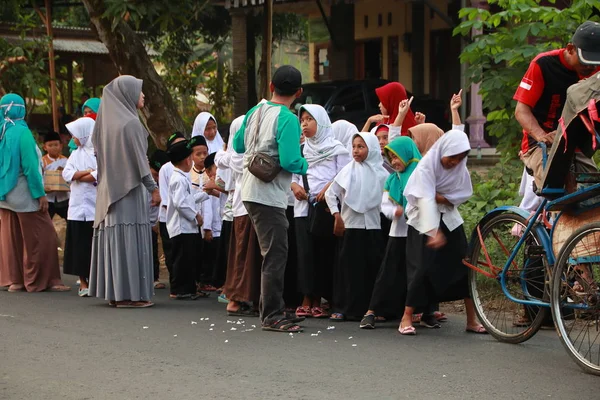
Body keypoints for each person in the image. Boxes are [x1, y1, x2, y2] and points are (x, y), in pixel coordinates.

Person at [232, 65, 308, 332]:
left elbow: (239, 145)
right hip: (269, 194)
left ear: (272, 87)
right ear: (299, 92)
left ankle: (274, 308)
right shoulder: (288, 118)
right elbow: (289, 160)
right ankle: (272, 315)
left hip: (249, 189)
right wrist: (305, 164)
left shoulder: (255, 111)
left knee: (272, 252)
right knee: (276, 254)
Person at [398, 130, 486, 335]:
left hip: (449, 218)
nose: (454, 162)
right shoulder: (427, 166)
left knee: (465, 265)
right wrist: (432, 229)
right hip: (422, 219)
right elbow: (424, 196)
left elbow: (462, 193)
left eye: (459, 158)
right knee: (421, 268)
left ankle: (472, 320)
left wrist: (443, 198)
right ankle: (406, 317)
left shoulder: (460, 169)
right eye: (452, 156)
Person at [88, 75, 160, 309]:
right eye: (139, 91)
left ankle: (116, 293)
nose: (143, 95)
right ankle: (130, 296)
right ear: (128, 94)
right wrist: (154, 188)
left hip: (110, 191)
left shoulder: (105, 124)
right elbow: (140, 162)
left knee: (116, 240)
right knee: (130, 241)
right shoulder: (131, 123)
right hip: (129, 191)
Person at [515, 21, 600, 192]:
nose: (590, 67)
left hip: (574, 142)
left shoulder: (595, 70)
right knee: (555, 189)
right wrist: (541, 135)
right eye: (585, 62)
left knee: (593, 190)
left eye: (594, 63)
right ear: (570, 49)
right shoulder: (543, 64)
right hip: (540, 143)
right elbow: (521, 111)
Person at [0, 93, 70, 292]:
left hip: (4, 196)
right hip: (24, 195)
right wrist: (40, 194)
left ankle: (16, 280)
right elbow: (30, 167)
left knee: (11, 238)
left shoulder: (1, 132)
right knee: (43, 236)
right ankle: (41, 280)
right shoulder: (22, 133)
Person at [291, 104, 350, 319]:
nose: (304, 124)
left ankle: (323, 298)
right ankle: (308, 297)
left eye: (309, 119)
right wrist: (294, 186)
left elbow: (344, 175)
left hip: (327, 208)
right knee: (305, 253)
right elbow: (294, 175)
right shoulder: (301, 150)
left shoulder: (337, 149)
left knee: (324, 253)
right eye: (302, 120)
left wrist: (329, 188)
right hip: (302, 208)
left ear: (322, 121)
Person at [325, 132, 389, 321]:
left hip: (373, 226)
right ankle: (344, 308)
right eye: (354, 146)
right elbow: (330, 194)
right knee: (348, 268)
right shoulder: (348, 170)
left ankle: (372, 309)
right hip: (350, 225)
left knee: (372, 268)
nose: (356, 151)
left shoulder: (382, 174)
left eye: (361, 146)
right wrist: (336, 215)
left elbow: (387, 199)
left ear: (371, 148)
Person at [360, 136, 421, 329]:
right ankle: (371, 311)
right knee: (388, 272)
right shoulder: (392, 180)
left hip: (418, 232)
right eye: (391, 158)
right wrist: (395, 211)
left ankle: (421, 312)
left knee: (417, 273)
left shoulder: (420, 176)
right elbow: (384, 205)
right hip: (398, 232)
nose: (394, 162)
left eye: (397, 157)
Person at [217, 116, 262, 316]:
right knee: (244, 254)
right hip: (246, 206)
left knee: (245, 253)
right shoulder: (239, 156)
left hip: (245, 206)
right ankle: (236, 299)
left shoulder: (231, 155)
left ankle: (245, 298)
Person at [166, 140, 209, 300]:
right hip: (182, 227)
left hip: (187, 227)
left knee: (190, 258)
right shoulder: (178, 179)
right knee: (182, 259)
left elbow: (189, 198)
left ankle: (189, 287)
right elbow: (180, 203)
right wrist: (195, 215)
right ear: (186, 160)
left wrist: (206, 193)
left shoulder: (182, 178)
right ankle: (179, 289)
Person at [62, 117, 97, 297]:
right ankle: (83, 282)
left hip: (93, 207)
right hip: (77, 208)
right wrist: (85, 172)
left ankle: (96, 281)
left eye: (75, 135)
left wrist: (80, 176)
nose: (73, 139)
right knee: (79, 246)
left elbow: (97, 175)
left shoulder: (99, 152)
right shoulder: (75, 154)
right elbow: (67, 173)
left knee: (93, 246)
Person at [158, 132, 186, 291]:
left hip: (184, 217)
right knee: (171, 251)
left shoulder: (188, 166)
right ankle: (175, 285)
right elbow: (165, 196)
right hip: (169, 216)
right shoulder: (166, 169)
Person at [188, 135, 215, 292]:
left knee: (209, 251)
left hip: (209, 218)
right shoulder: (187, 175)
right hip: (193, 219)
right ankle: (196, 281)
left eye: (205, 153)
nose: (202, 157)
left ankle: (206, 280)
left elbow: (210, 203)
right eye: (198, 154)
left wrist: (208, 226)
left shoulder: (210, 174)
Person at [149, 149, 171, 290]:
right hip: (141, 219)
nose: (156, 178)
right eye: (155, 174)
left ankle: (154, 277)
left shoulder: (162, 181)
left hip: (155, 219)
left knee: (153, 248)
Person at [42, 131, 70, 221]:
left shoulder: (65, 160)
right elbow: (39, 177)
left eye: (56, 145)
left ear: (61, 146)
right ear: (45, 147)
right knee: (46, 222)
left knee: (69, 220)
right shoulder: (42, 161)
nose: (53, 148)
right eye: (50, 145)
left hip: (64, 198)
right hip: (48, 198)